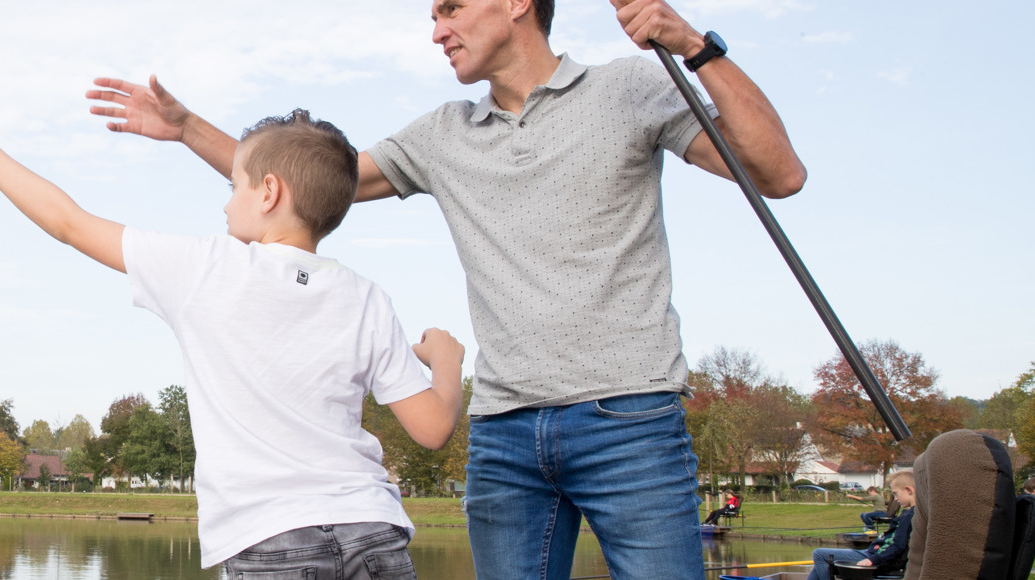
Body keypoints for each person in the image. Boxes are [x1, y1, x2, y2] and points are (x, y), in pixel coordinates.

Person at [85, 0, 806, 577]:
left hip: (628, 419)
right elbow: (306, 185)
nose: (437, 30)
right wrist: (187, 129)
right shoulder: (443, 134)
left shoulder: (628, 89)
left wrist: (695, 48)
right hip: (504, 434)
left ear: (517, 4)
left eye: (451, 8)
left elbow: (778, 173)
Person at [0, 111, 467, 578]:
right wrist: (446, 362)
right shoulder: (366, 297)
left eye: (234, 186)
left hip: (270, 538)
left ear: (269, 192)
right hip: (372, 530)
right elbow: (433, 428)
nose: (227, 203)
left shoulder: (207, 268)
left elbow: (69, 223)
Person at [808, 471, 917, 580]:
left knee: (819, 554)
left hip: (874, 557)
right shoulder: (912, 514)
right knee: (821, 561)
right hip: (873, 553)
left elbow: (898, 545)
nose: (895, 499)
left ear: (909, 490)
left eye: (896, 494)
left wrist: (872, 560)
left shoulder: (908, 516)